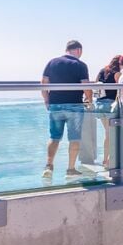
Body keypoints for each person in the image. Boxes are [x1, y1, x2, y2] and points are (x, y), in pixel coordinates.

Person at [41, 39, 92, 178]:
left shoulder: (52, 62)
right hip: (74, 105)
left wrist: (47, 100)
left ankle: (49, 166)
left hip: (55, 104)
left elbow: (44, 84)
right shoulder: (80, 65)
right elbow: (86, 86)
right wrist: (90, 100)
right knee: (74, 138)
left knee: (54, 137)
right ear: (79, 50)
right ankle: (70, 169)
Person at [94, 54, 122, 168]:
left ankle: (105, 160)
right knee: (112, 134)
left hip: (99, 105)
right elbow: (120, 91)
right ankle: (109, 161)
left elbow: (95, 86)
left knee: (107, 133)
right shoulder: (117, 73)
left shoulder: (102, 71)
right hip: (110, 105)